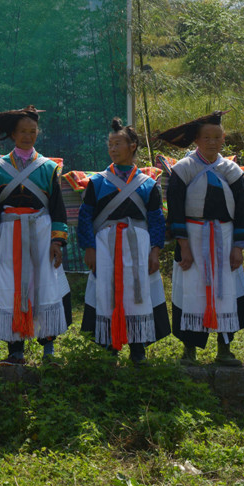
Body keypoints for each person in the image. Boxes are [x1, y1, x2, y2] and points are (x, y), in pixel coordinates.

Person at [0, 106, 71, 366]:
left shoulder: (49, 168)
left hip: (42, 231)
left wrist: (57, 241)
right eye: (23, 131)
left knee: (45, 283)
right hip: (9, 232)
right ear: (13, 134)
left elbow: (57, 207)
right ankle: (16, 349)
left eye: (32, 132)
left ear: (38, 133)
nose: (28, 136)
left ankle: (48, 348)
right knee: (11, 286)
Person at [157, 111, 244, 366]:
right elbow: (175, 209)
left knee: (226, 290)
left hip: (225, 236)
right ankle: (189, 350)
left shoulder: (232, 171)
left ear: (224, 138)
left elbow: (242, 211)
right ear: (196, 140)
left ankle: (225, 348)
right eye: (206, 137)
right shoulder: (183, 169)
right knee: (191, 290)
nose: (212, 142)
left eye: (217, 137)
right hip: (193, 236)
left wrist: (238, 248)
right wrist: (184, 246)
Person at [77, 119, 170, 364]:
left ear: (133, 146)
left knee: (137, 292)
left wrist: (155, 250)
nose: (113, 149)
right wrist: (89, 248)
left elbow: (156, 219)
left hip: (138, 246)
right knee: (106, 290)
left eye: (118, 144)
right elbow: (85, 217)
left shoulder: (148, 184)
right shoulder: (98, 182)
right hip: (105, 245)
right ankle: (109, 346)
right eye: (110, 145)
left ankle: (138, 348)